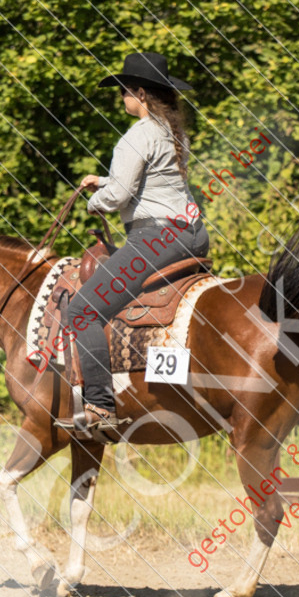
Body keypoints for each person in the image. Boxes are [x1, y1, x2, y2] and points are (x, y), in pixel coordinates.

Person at [65, 51, 210, 434]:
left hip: (156, 239)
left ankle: (99, 406)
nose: (121, 98)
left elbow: (118, 197)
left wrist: (94, 201)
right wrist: (103, 180)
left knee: (81, 311)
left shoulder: (136, 136)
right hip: (193, 235)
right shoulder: (174, 132)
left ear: (141, 94)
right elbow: (152, 180)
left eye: (124, 91)